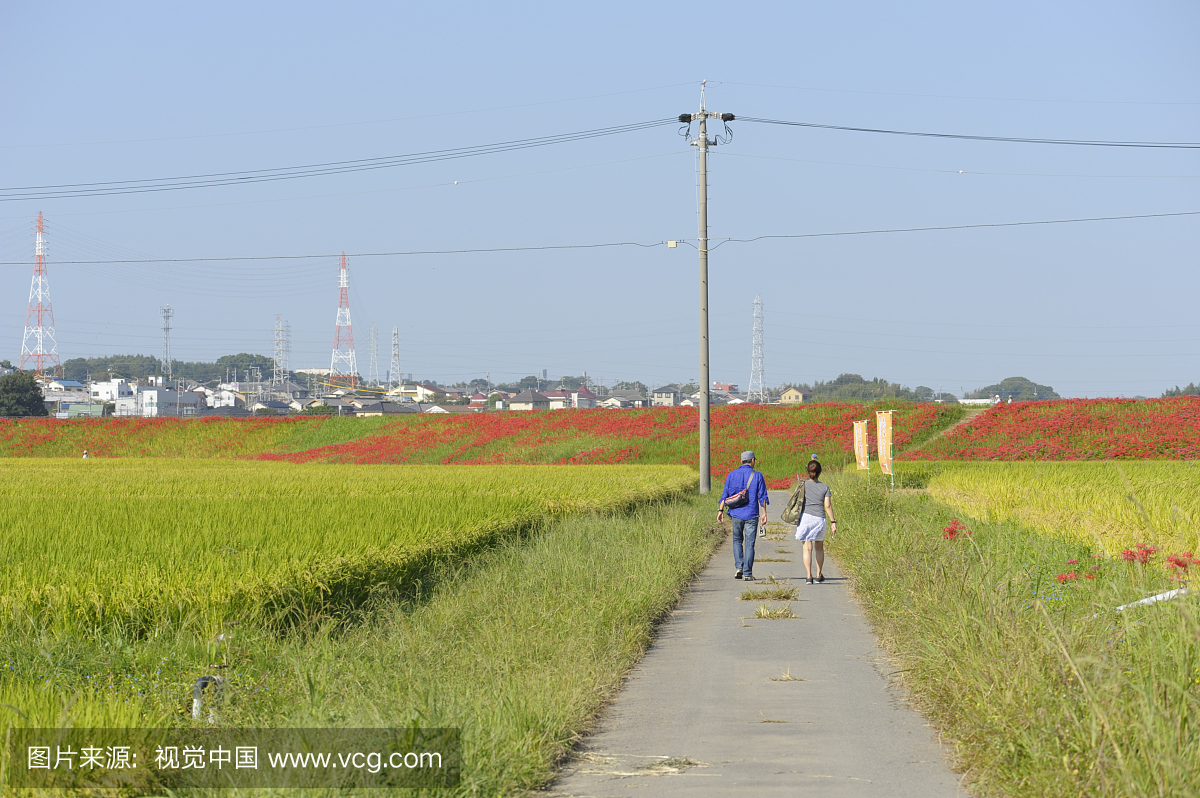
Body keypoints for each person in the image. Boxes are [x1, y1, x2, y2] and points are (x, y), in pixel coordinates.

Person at [717, 451, 769, 582]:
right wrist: (764, 513)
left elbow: (725, 495)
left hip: (736, 513)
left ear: (741, 461)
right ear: (753, 460)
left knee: (737, 540)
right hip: (751, 514)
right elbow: (762, 496)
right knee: (749, 544)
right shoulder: (757, 475)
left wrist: (720, 510)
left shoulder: (731, 475)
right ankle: (747, 573)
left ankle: (739, 568)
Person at [794, 459, 836, 584]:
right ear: (820, 472)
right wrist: (833, 521)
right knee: (819, 548)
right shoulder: (824, 487)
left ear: (808, 472)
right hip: (819, 519)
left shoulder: (802, 485)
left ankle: (809, 576)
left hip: (805, 518)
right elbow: (827, 505)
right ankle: (818, 575)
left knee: (807, 548)